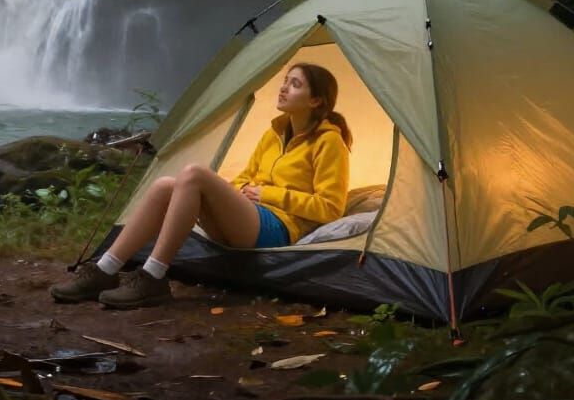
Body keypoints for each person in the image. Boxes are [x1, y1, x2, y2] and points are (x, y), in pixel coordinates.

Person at [50, 63, 352, 309]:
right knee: (166, 185)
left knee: (193, 173)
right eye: (285, 81)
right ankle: (104, 270)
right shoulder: (274, 133)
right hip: (250, 215)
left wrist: (268, 193)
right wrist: (244, 191)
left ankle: (153, 276)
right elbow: (244, 177)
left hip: (279, 227)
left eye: (295, 84)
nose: (284, 87)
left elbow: (331, 208)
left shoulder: (329, 142)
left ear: (317, 101)